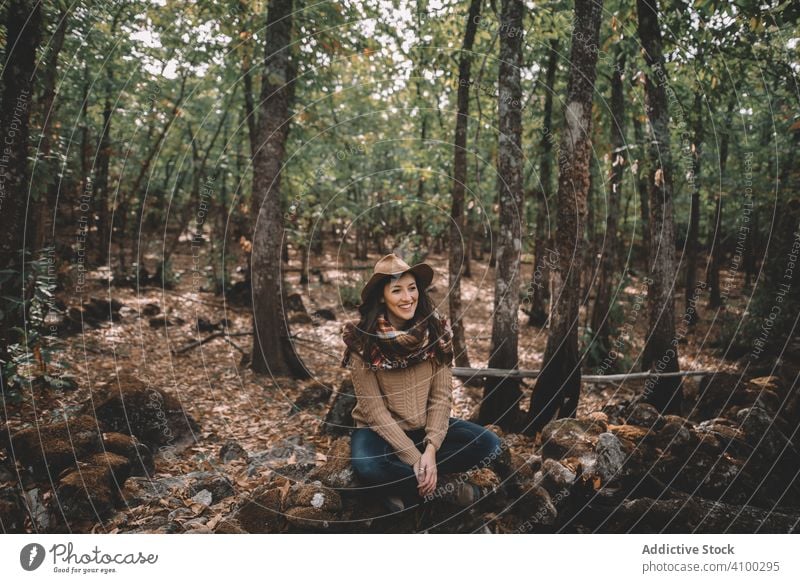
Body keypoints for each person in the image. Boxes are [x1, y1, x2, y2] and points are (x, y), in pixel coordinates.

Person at [341, 253, 503, 514]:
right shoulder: (363, 341)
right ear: (382, 296)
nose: (408, 298)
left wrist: (431, 449)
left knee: (489, 446)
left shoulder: (437, 332)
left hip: (423, 426)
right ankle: (440, 489)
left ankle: (400, 486)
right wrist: (415, 458)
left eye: (412, 288)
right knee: (368, 466)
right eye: (397, 290)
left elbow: (441, 397)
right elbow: (374, 412)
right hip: (378, 430)